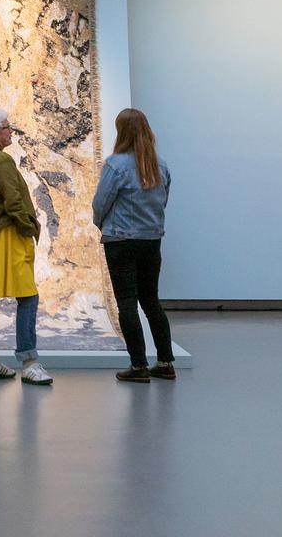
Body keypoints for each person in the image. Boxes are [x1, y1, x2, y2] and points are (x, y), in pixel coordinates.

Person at [0, 107, 52, 387]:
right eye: (6, 127)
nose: (10, 130)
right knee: (27, 297)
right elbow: (13, 202)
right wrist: (30, 227)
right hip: (8, 238)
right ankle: (29, 362)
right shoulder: (1, 161)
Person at [92, 107, 174, 382]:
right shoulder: (160, 165)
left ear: (121, 132)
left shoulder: (115, 165)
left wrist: (101, 223)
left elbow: (100, 203)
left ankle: (138, 366)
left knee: (126, 303)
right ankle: (165, 362)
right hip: (151, 240)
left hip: (121, 240)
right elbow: (163, 200)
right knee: (151, 300)